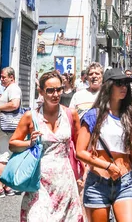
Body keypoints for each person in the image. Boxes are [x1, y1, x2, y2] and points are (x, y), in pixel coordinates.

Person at [76, 69, 132, 222]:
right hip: (97, 183)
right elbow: (80, 152)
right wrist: (107, 166)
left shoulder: (131, 117)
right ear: (108, 86)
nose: (124, 87)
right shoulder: (94, 115)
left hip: (125, 183)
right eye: (119, 83)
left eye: (126, 83)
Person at [10, 70, 82, 221]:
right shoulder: (31, 116)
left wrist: (84, 173)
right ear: (41, 91)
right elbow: (13, 144)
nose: (55, 94)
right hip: (39, 181)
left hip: (65, 181)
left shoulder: (71, 114)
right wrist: (29, 143)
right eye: (50, 90)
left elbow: (79, 147)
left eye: (59, 89)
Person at [0, 66, 22, 198]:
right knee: (6, 156)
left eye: (3, 77)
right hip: (5, 127)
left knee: (2, 157)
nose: (1, 79)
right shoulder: (8, 89)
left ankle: (0, 187)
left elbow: (14, 104)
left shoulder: (14, 89)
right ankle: (7, 187)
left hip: (8, 128)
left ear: (11, 77)